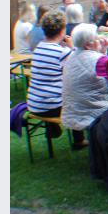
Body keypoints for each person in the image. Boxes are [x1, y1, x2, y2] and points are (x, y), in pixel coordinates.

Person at [27, 10, 86, 146]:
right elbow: (81, 67)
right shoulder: (62, 52)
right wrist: (73, 48)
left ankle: (52, 128)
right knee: (78, 100)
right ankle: (79, 140)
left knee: (61, 93)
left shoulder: (39, 49)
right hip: (52, 105)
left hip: (34, 103)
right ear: (62, 30)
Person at [61, 23, 108, 147]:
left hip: (74, 110)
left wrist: (103, 51)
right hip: (95, 110)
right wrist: (104, 54)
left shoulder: (71, 56)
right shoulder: (98, 60)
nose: (100, 40)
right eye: (96, 38)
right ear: (88, 44)